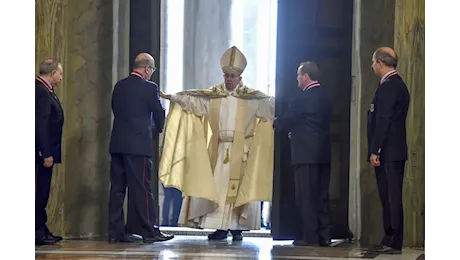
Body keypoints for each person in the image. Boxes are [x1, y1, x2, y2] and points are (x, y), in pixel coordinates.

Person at [159, 46, 275, 240]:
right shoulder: (214, 97)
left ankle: (237, 228)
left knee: (239, 189)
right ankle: (221, 227)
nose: (228, 79)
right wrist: (172, 97)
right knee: (219, 189)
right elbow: (192, 102)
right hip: (220, 149)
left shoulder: (252, 98)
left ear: (240, 78)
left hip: (243, 149)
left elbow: (271, 107)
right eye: (226, 75)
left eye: (232, 76)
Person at [108, 53, 174, 244]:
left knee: (118, 189)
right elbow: (158, 112)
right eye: (151, 70)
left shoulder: (119, 85)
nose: (151, 74)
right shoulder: (149, 87)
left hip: (118, 143)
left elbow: (115, 109)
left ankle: (115, 232)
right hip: (138, 146)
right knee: (143, 189)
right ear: (146, 69)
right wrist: (157, 129)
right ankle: (149, 231)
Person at [273, 61, 333, 247]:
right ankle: (325, 235)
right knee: (321, 196)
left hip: (305, 154)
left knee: (306, 196)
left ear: (306, 76)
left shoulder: (301, 98)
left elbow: (287, 120)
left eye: (299, 75)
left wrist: (275, 122)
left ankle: (310, 237)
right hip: (323, 153)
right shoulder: (326, 96)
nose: (297, 79)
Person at [368, 47, 410, 254]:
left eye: (374, 62)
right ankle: (389, 237)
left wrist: (376, 149)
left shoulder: (390, 86)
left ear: (382, 63)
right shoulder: (393, 85)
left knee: (391, 196)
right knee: (388, 195)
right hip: (392, 150)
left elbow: (383, 120)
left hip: (389, 151)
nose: (372, 66)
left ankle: (393, 240)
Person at [33, 59, 64, 245]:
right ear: (52, 73)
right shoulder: (40, 92)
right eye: (60, 73)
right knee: (39, 192)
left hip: (46, 152)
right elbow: (40, 124)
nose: (61, 77)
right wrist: (45, 153)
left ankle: (41, 228)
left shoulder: (46, 91)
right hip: (39, 154)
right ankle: (37, 231)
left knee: (43, 192)